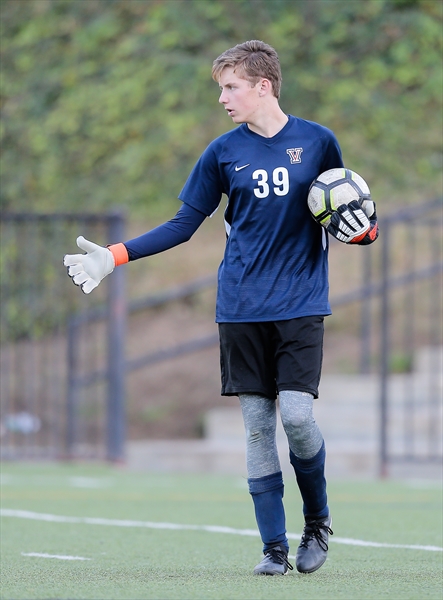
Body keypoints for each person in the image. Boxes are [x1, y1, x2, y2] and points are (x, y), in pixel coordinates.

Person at [64, 40, 378, 575]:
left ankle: (318, 522)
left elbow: (345, 206)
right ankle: (273, 549)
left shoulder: (319, 142)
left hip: (300, 303)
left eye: (231, 87)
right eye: (220, 89)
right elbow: (184, 225)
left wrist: (365, 231)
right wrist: (114, 257)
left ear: (264, 86)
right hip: (239, 305)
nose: (223, 98)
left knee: (298, 418)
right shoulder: (222, 152)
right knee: (258, 427)